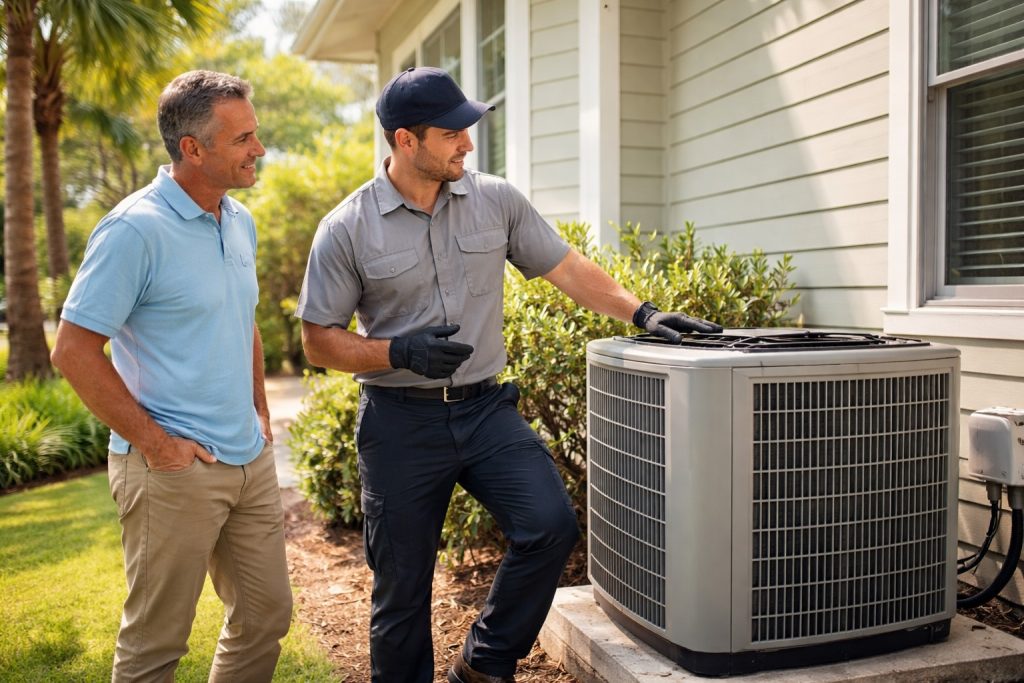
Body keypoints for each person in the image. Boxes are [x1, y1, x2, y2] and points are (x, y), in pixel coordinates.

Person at [296, 66, 721, 683]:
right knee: (402, 590)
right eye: (452, 133)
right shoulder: (347, 228)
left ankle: (485, 663)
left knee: (551, 526)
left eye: (469, 130)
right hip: (399, 424)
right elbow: (318, 341)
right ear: (404, 141)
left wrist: (644, 312)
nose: (468, 143)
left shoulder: (495, 200)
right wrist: (397, 353)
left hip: (484, 410)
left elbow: (566, 267)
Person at [51, 70, 292, 682]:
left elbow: (246, 321)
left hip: (248, 459)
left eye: (255, 134)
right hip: (172, 470)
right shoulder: (135, 229)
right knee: (156, 644)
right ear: (193, 148)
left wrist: (259, 412)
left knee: (266, 616)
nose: (257, 149)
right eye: (242, 139)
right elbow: (73, 351)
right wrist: (157, 445)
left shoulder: (237, 219)